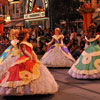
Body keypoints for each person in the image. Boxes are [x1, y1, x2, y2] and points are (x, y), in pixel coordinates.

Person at [0, 29, 58, 95]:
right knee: (23, 73)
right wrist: (29, 56)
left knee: (37, 71)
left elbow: (32, 51)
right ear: (24, 35)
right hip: (24, 58)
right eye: (27, 34)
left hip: (30, 58)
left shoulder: (28, 43)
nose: (28, 35)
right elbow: (24, 51)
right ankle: (22, 89)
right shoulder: (22, 43)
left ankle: (31, 89)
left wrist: (34, 57)